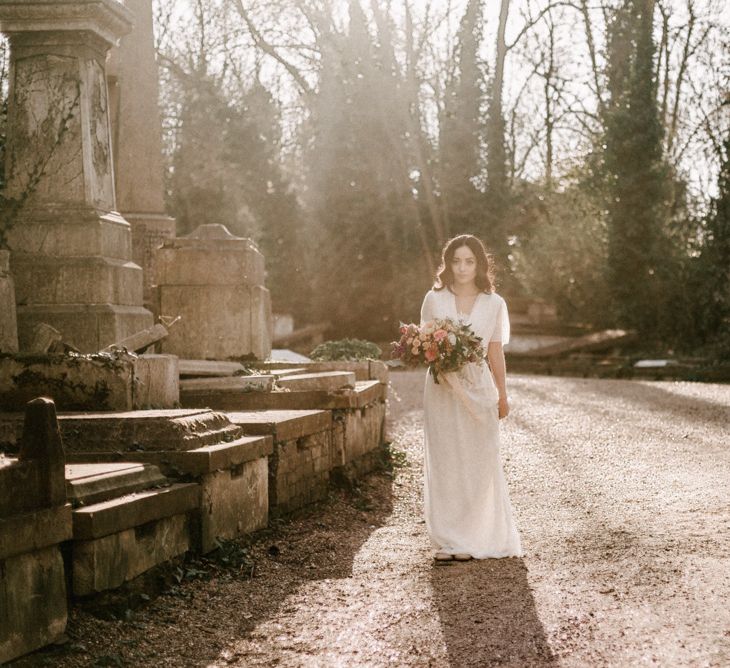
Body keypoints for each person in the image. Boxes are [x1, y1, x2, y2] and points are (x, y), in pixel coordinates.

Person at [420, 234, 523, 561]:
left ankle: (478, 536)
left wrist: (502, 394)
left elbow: (494, 351)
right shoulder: (434, 299)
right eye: (456, 261)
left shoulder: (494, 303)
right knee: (447, 459)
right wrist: (439, 356)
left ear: (479, 264)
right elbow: (425, 345)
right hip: (442, 387)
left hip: (478, 388)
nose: (462, 267)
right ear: (447, 264)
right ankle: (449, 541)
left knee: (479, 461)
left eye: (469, 261)